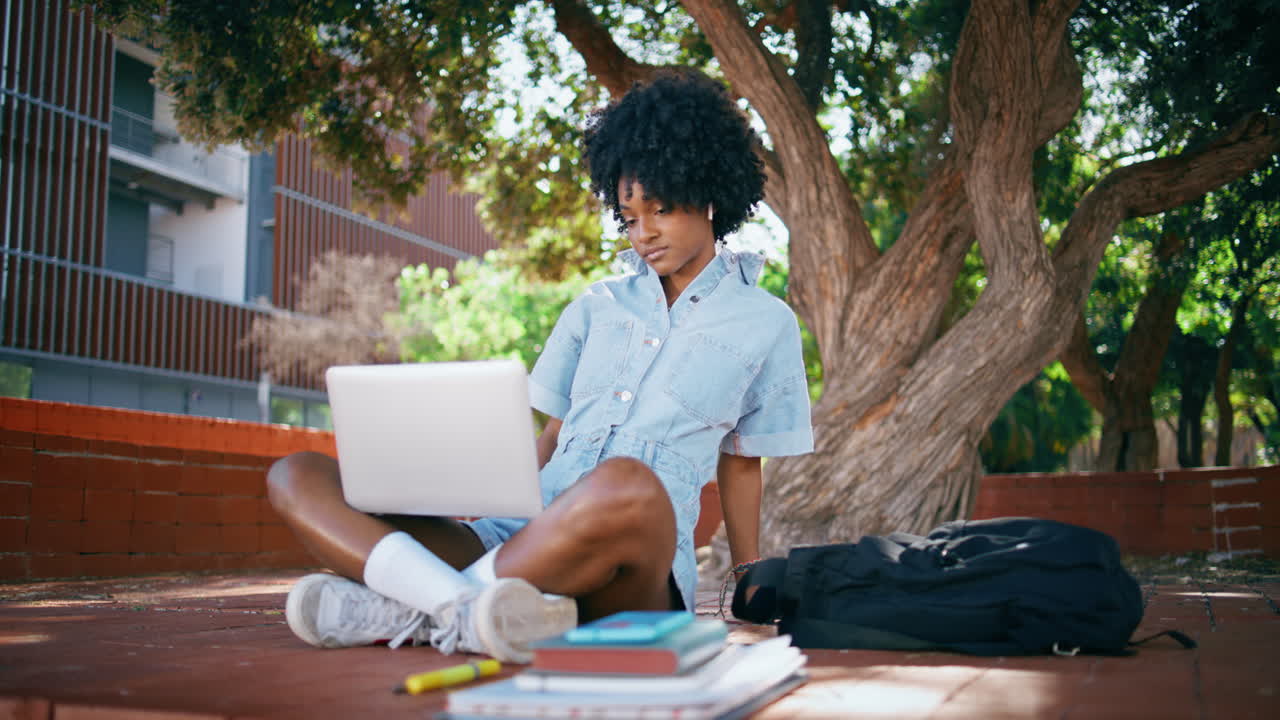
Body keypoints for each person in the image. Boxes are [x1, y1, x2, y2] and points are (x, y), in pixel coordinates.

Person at [267, 68, 814, 663]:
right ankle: (463, 608)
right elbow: (553, 436)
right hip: (520, 542)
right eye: (630, 217)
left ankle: (416, 607)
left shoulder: (766, 322)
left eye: (660, 209)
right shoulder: (595, 307)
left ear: (708, 193)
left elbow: (742, 461)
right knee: (297, 475)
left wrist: (746, 571)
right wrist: (482, 506)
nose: (644, 233)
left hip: (635, 564)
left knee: (627, 482)